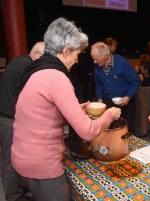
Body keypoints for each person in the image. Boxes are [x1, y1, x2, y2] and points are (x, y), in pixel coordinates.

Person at [11, 17, 121, 201]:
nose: (77, 60)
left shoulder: (37, 70)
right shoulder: (57, 78)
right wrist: (109, 113)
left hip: (22, 156)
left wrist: (75, 110)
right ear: (65, 50)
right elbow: (87, 131)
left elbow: (42, 114)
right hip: (41, 163)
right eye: (77, 54)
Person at [0, 42, 44, 201]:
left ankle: (13, 189)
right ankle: (14, 196)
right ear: (37, 54)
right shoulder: (26, 66)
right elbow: (31, 97)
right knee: (11, 161)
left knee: (6, 159)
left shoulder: (19, 61)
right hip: (8, 120)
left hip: (4, 117)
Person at [91, 42, 141, 134]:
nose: (94, 62)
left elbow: (136, 81)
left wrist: (128, 97)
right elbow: (98, 83)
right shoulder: (98, 66)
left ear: (106, 55)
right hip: (108, 102)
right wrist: (100, 98)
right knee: (108, 128)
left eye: (96, 59)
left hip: (125, 102)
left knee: (126, 129)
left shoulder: (122, 62)